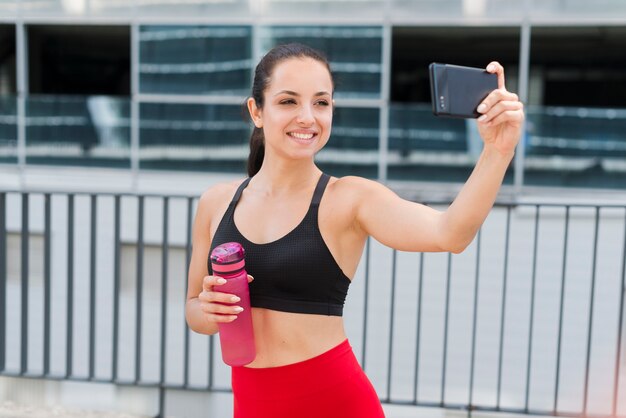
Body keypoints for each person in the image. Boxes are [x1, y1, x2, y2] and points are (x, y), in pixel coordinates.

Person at [185, 43, 524, 418]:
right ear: (257, 111)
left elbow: (450, 234)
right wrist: (209, 310)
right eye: (288, 102)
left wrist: (498, 151)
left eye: (321, 102)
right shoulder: (216, 203)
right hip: (252, 405)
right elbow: (193, 313)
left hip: (334, 403)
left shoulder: (349, 199)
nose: (307, 117)